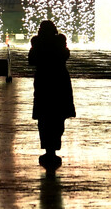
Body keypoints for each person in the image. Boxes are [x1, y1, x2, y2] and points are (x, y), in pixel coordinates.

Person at [28, 20, 76, 171]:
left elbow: (31, 60)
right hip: (60, 80)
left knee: (44, 118)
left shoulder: (37, 42)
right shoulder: (60, 42)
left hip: (43, 81)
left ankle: (48, 148)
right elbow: (66, 55)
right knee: (58, 116)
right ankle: (54, 146)